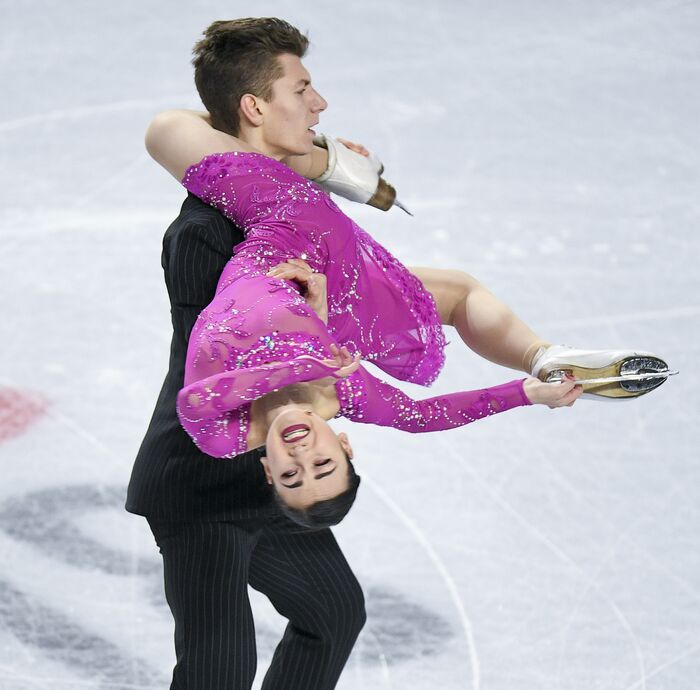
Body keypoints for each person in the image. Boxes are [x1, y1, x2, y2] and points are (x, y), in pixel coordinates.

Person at [142, 17, 672, 519]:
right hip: (336, 289)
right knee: (459, 292)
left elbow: (204, 390)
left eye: (291, 476)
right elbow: (423, 418)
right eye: (302, 90)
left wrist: (315, 157)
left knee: (457, 291)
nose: (319, 103)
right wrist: (529, 393)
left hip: (279, 258)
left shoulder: (221, 431)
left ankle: (338, 172)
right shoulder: (342, 391)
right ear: (343, 445)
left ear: (268, 473)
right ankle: (546, 358)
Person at [114, 153, 369, 690]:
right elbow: (227, 353)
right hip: (198, 489)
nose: (320, 111)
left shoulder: (295, 225)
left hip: (272, 480)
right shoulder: (201, 237)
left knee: (333, 611)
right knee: (220, 678)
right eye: (302, 96)